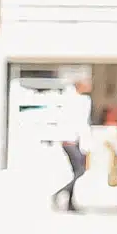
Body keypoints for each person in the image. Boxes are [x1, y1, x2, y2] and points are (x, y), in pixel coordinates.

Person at [52, 78, 92, 212]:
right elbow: (80, 123)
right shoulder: (77, 101)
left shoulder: (76, 99)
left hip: (73, 140)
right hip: (71, 141)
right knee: (80, 171)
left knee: (77, 171)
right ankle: (60, 193)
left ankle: (70, 202)